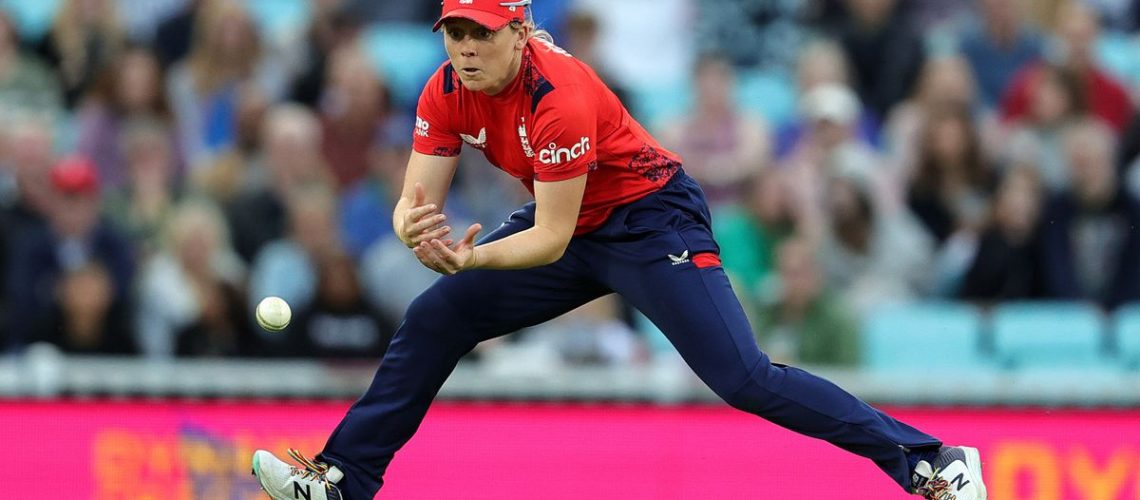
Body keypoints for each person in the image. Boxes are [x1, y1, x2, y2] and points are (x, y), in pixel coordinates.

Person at [250, 2, 989, 500]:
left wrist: (468, 258)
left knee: (743, 377)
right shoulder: (445, 87)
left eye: (482, 33)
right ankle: (344, 478)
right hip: (569, 219)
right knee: (435, 316)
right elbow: (416, 202)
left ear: (522, 30)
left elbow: (550, 238)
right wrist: (418, 231)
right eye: (454, 33)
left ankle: (931, 460)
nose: (466, 49)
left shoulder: (559, 94)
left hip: (650, 222)